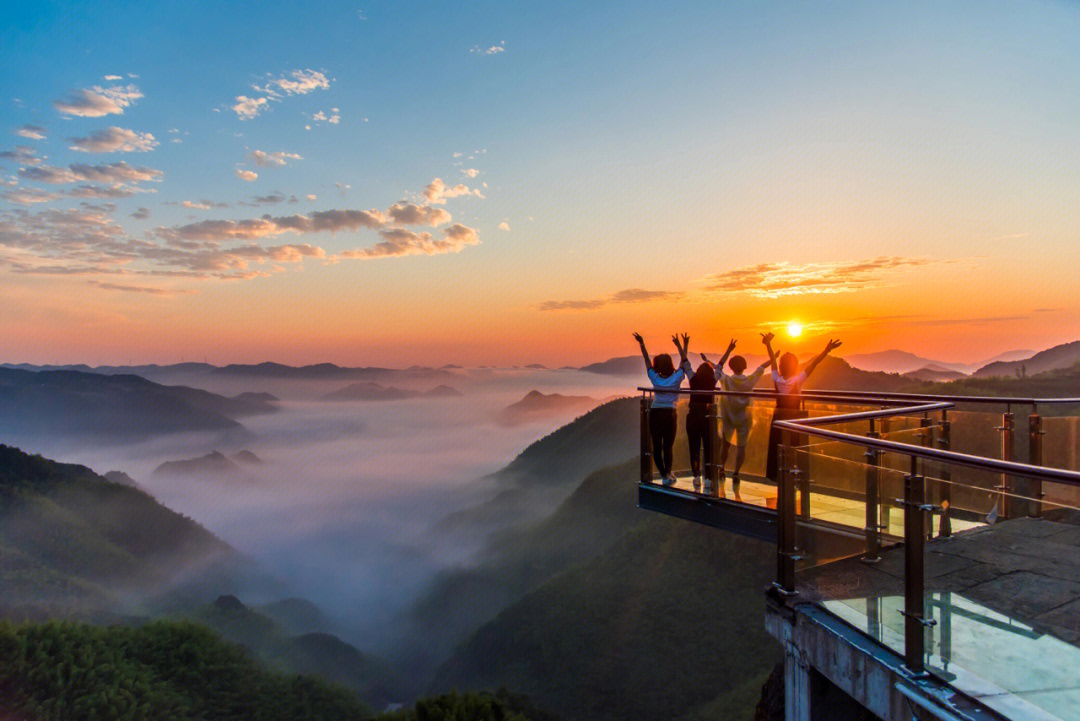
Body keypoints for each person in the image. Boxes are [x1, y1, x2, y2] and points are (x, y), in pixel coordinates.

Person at [763, 333, 842, 481]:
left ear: (781, 366)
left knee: (778, 447)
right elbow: (814, 364)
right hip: (794, 419)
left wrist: (768, 344)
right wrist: (826, 350)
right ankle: (794, 477)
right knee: (794, 448)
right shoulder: (798, 380)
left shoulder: (777, 379)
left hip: (778, 418)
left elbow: (773, 361)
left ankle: (779, 476)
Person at [702, 339, 771, 494]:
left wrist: (725, 351)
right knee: (741, 447)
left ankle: (721, 468)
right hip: (744, 419)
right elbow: (762, 367)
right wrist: (772, 355)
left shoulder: (726, 380)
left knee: (725, 445)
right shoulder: (749, 381)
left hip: (728, 418)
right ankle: (736, 473)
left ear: (732, 367)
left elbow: (718, 368)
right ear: (744, 366)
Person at [634, 332, 692, 486]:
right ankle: (668, 473)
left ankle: (663, 474)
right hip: (669, 414)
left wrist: (642, 343)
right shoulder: (677, 377)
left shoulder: (655, 378)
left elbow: (646, 361)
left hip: (655, 413)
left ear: (658, 365)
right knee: (668, 446)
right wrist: (683, 345)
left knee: (657, 446)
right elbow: (684, 361)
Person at [685, 359, 717, 491]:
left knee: (694, 448)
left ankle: (697, 476)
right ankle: (708, 479)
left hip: (693, 417)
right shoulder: (712, 380)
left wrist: (682, 346)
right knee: (709, 448)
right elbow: (720, 366)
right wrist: (729, 349)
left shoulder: (693, 379)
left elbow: (686, 363)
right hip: (707, 417)